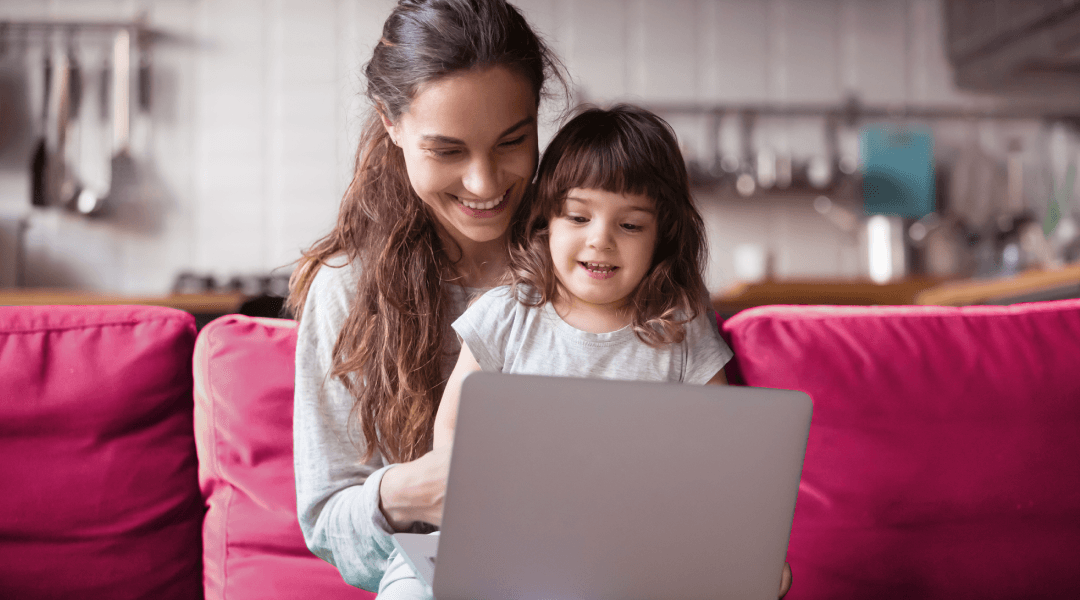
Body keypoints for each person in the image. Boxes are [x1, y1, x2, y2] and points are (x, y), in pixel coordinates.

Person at [286, 0, 566, 596]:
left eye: (513, 142)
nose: (485, 184)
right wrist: (410, 492)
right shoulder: (349, 288)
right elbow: (328, 527)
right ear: (391, 124)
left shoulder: (592, 261)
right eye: (448, 151)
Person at [432, 104, 732, 452]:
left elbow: (717, 441)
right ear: (547, 221)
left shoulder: (682, 329)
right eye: (578, 217)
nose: (600, 240)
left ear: (661, 237)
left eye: (630, 225)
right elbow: (452, 434)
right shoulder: (504, 316)